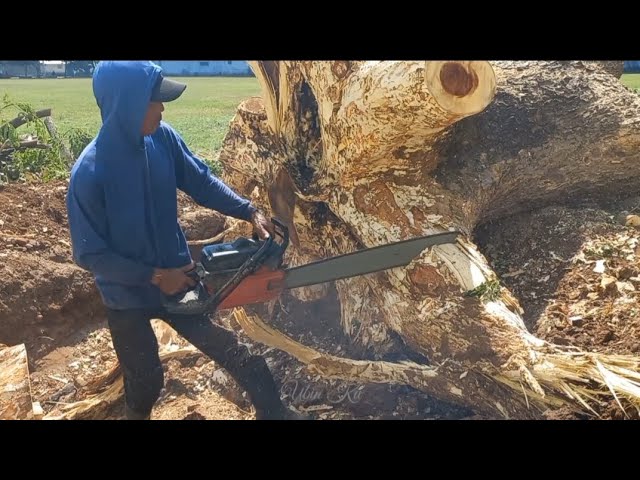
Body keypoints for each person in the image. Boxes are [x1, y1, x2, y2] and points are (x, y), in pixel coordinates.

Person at [66, 60, 308, 420]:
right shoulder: (90, 173)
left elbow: (202, 183)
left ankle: (277, 414)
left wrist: (249, 211)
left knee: (241, 356)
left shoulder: (162, 139)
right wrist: (156, 276)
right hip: (126, 295)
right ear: (127, 106)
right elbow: (90, 254)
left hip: (180, 280)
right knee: (146, 383)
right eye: (155, 101)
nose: (162, 108)